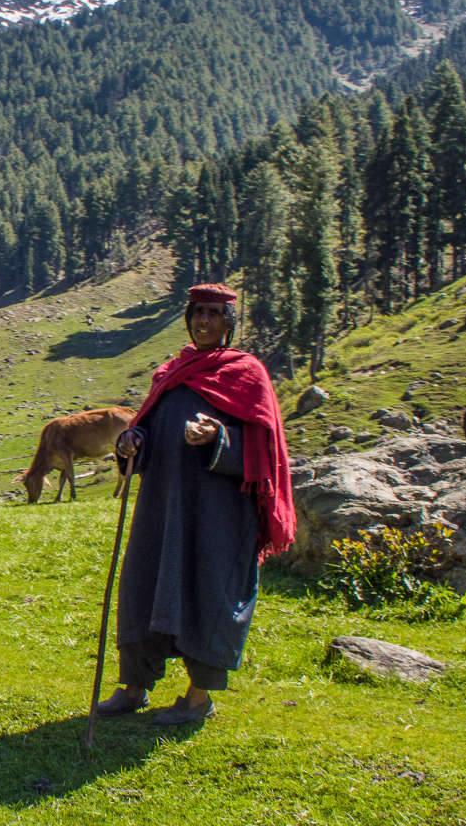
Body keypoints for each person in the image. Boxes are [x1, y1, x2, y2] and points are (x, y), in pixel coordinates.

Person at [94, 282, 295, 726]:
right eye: (197, 314)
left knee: (208, 589)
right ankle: (134, 687)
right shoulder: (171, 372)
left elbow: (265, 449)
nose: (203, 321)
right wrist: (133, 441)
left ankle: (199, 697)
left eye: (213, 314)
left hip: (217, 512)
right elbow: (150, 427)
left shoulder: (247, 375)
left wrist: (218, 438)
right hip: (163, 506)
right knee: (142, 585)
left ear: (229, 323)